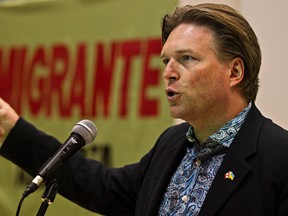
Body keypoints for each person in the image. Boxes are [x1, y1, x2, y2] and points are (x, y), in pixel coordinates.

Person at [1, 3, 288, 216]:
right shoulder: (171, 144)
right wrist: (12, 129)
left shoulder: (279, 158)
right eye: (166, 61)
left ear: (234, 72)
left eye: (186, 58)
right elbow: (101, 187)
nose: (169, 73)